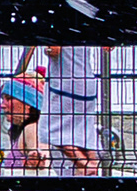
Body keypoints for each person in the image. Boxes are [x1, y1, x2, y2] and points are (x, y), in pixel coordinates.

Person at [28, 41, 104, 176]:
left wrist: (46, 48)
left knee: (53, 131)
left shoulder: (58, 30)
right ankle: (93, 163)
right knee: (85, 129)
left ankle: (87, 165)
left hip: (64, 85)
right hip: (87, 83)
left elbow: (54, 50)